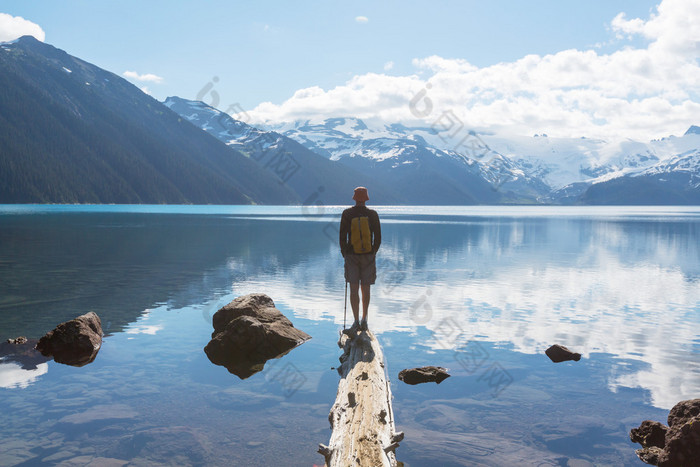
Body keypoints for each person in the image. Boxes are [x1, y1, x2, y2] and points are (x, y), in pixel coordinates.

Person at [339, 186, 381, 332]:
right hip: (368, 255)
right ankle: (365, 320)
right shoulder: (373, 214)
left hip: (351, 256)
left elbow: (342, 236)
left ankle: (355, 321)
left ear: (355, 198)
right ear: (366, 198)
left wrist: (345, 253)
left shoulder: (347, 213)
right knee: (366, 288)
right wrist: (372, 252)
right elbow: (378, 237)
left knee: (353, 288)